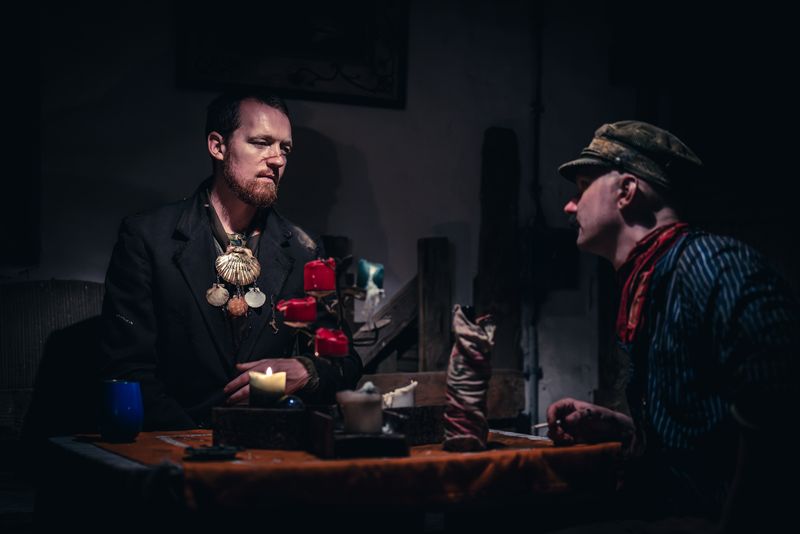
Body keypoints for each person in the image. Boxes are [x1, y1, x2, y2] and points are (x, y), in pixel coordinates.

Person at [547, 121, 798, 531]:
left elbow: (776, 411)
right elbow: (700, 436)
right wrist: (620, 427)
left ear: (626, 191)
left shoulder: (711, 263)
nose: (570, 207)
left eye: (583, 187)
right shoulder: (648, 279)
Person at [99, 91, 362, 430]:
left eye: (285, 148)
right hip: (173, 442)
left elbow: (345, 361)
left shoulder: (304, 251)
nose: (277, 160)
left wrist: (306, 370)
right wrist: (197, 445)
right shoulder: (148, 238)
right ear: (217, 146)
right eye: (261, 143)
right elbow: (126, 369)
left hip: (269, 441)